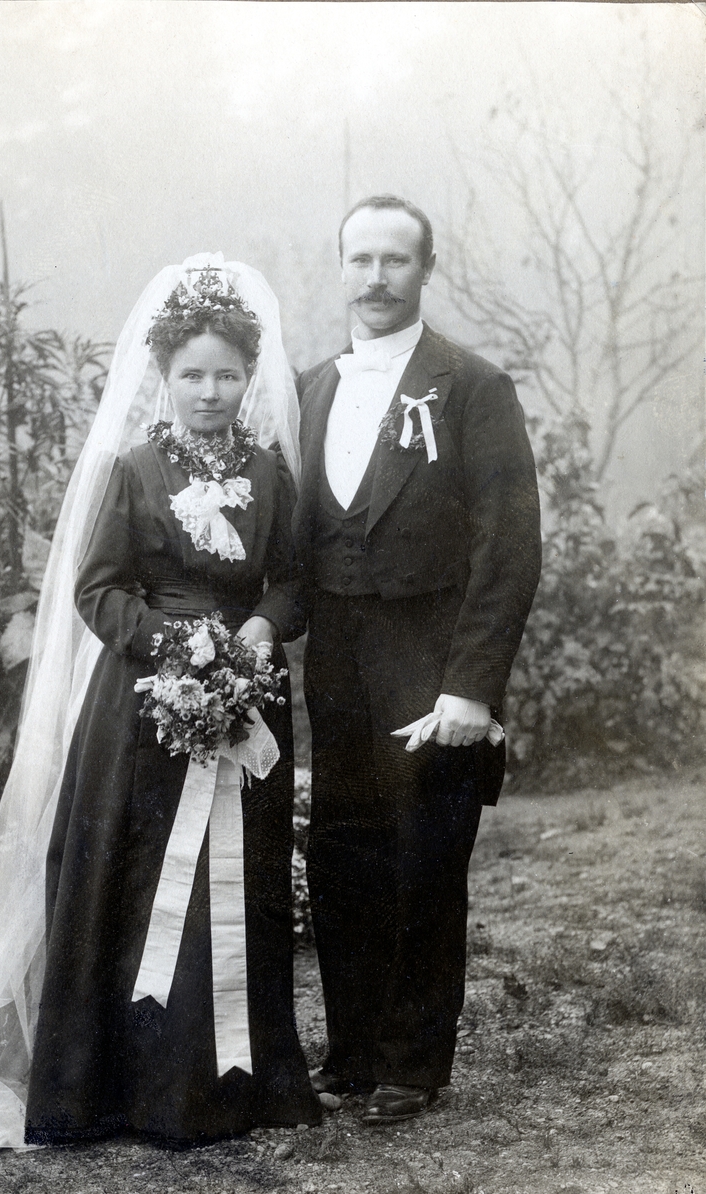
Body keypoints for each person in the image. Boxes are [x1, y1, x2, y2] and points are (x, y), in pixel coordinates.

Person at [0, 256, 321, 1158]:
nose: (210, 392)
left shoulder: (270, 474)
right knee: (141, 879)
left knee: (234, 882)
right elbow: (98, 588)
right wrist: (176, 646)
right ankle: (125, 1089)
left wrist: (259, 631)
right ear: (165, 376)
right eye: (192, 374)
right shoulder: (135, 470)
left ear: (249, 378)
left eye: (228, 375)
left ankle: (234, 1083)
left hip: (247, 697)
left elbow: (295, 579)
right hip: (142, 710)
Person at [293, 196, 541, 1124]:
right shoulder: (310, 388)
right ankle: (353, 1052)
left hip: (432, 660)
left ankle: (412, 1062)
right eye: (361, 259)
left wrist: (471, 687)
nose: (376, 278)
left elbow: (508, 546)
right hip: (336, 659)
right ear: (341, 268)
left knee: (425, 856)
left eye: (395, 260)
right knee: (342, 849)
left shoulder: (473, 386)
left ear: (426, 269)